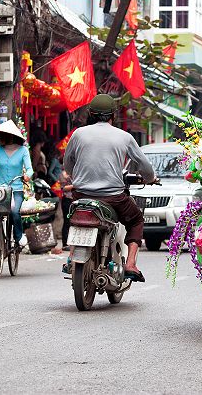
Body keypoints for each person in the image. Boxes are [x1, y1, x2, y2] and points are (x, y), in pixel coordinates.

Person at [64, 94, 156, 282]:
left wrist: (78, 178)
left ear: (91, 114)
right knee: (136, 220)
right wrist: (150, 178)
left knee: (74, 218)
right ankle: (130, 263)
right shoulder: (124, 137)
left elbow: (68, 164)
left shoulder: (78, 134)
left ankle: (71, 256)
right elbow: (145, 167)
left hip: (81, 194)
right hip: (113, 197)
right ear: (112, 115)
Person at [0, 120, 34, 247]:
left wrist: (27, 176)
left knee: (14, 211)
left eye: (1, 135)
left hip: (16, 189)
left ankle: (18, 236)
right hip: (0, 190)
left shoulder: (23, 150)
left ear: (10, 136)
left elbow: (30, 169)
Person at [59, 168, 73, 251]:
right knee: (67, 221)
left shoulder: (76, 172)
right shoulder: (63, 174)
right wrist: (74, 186)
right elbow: (63, 188)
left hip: (73, 199)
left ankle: (71, 242)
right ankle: (65, 243)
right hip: (67, 199)